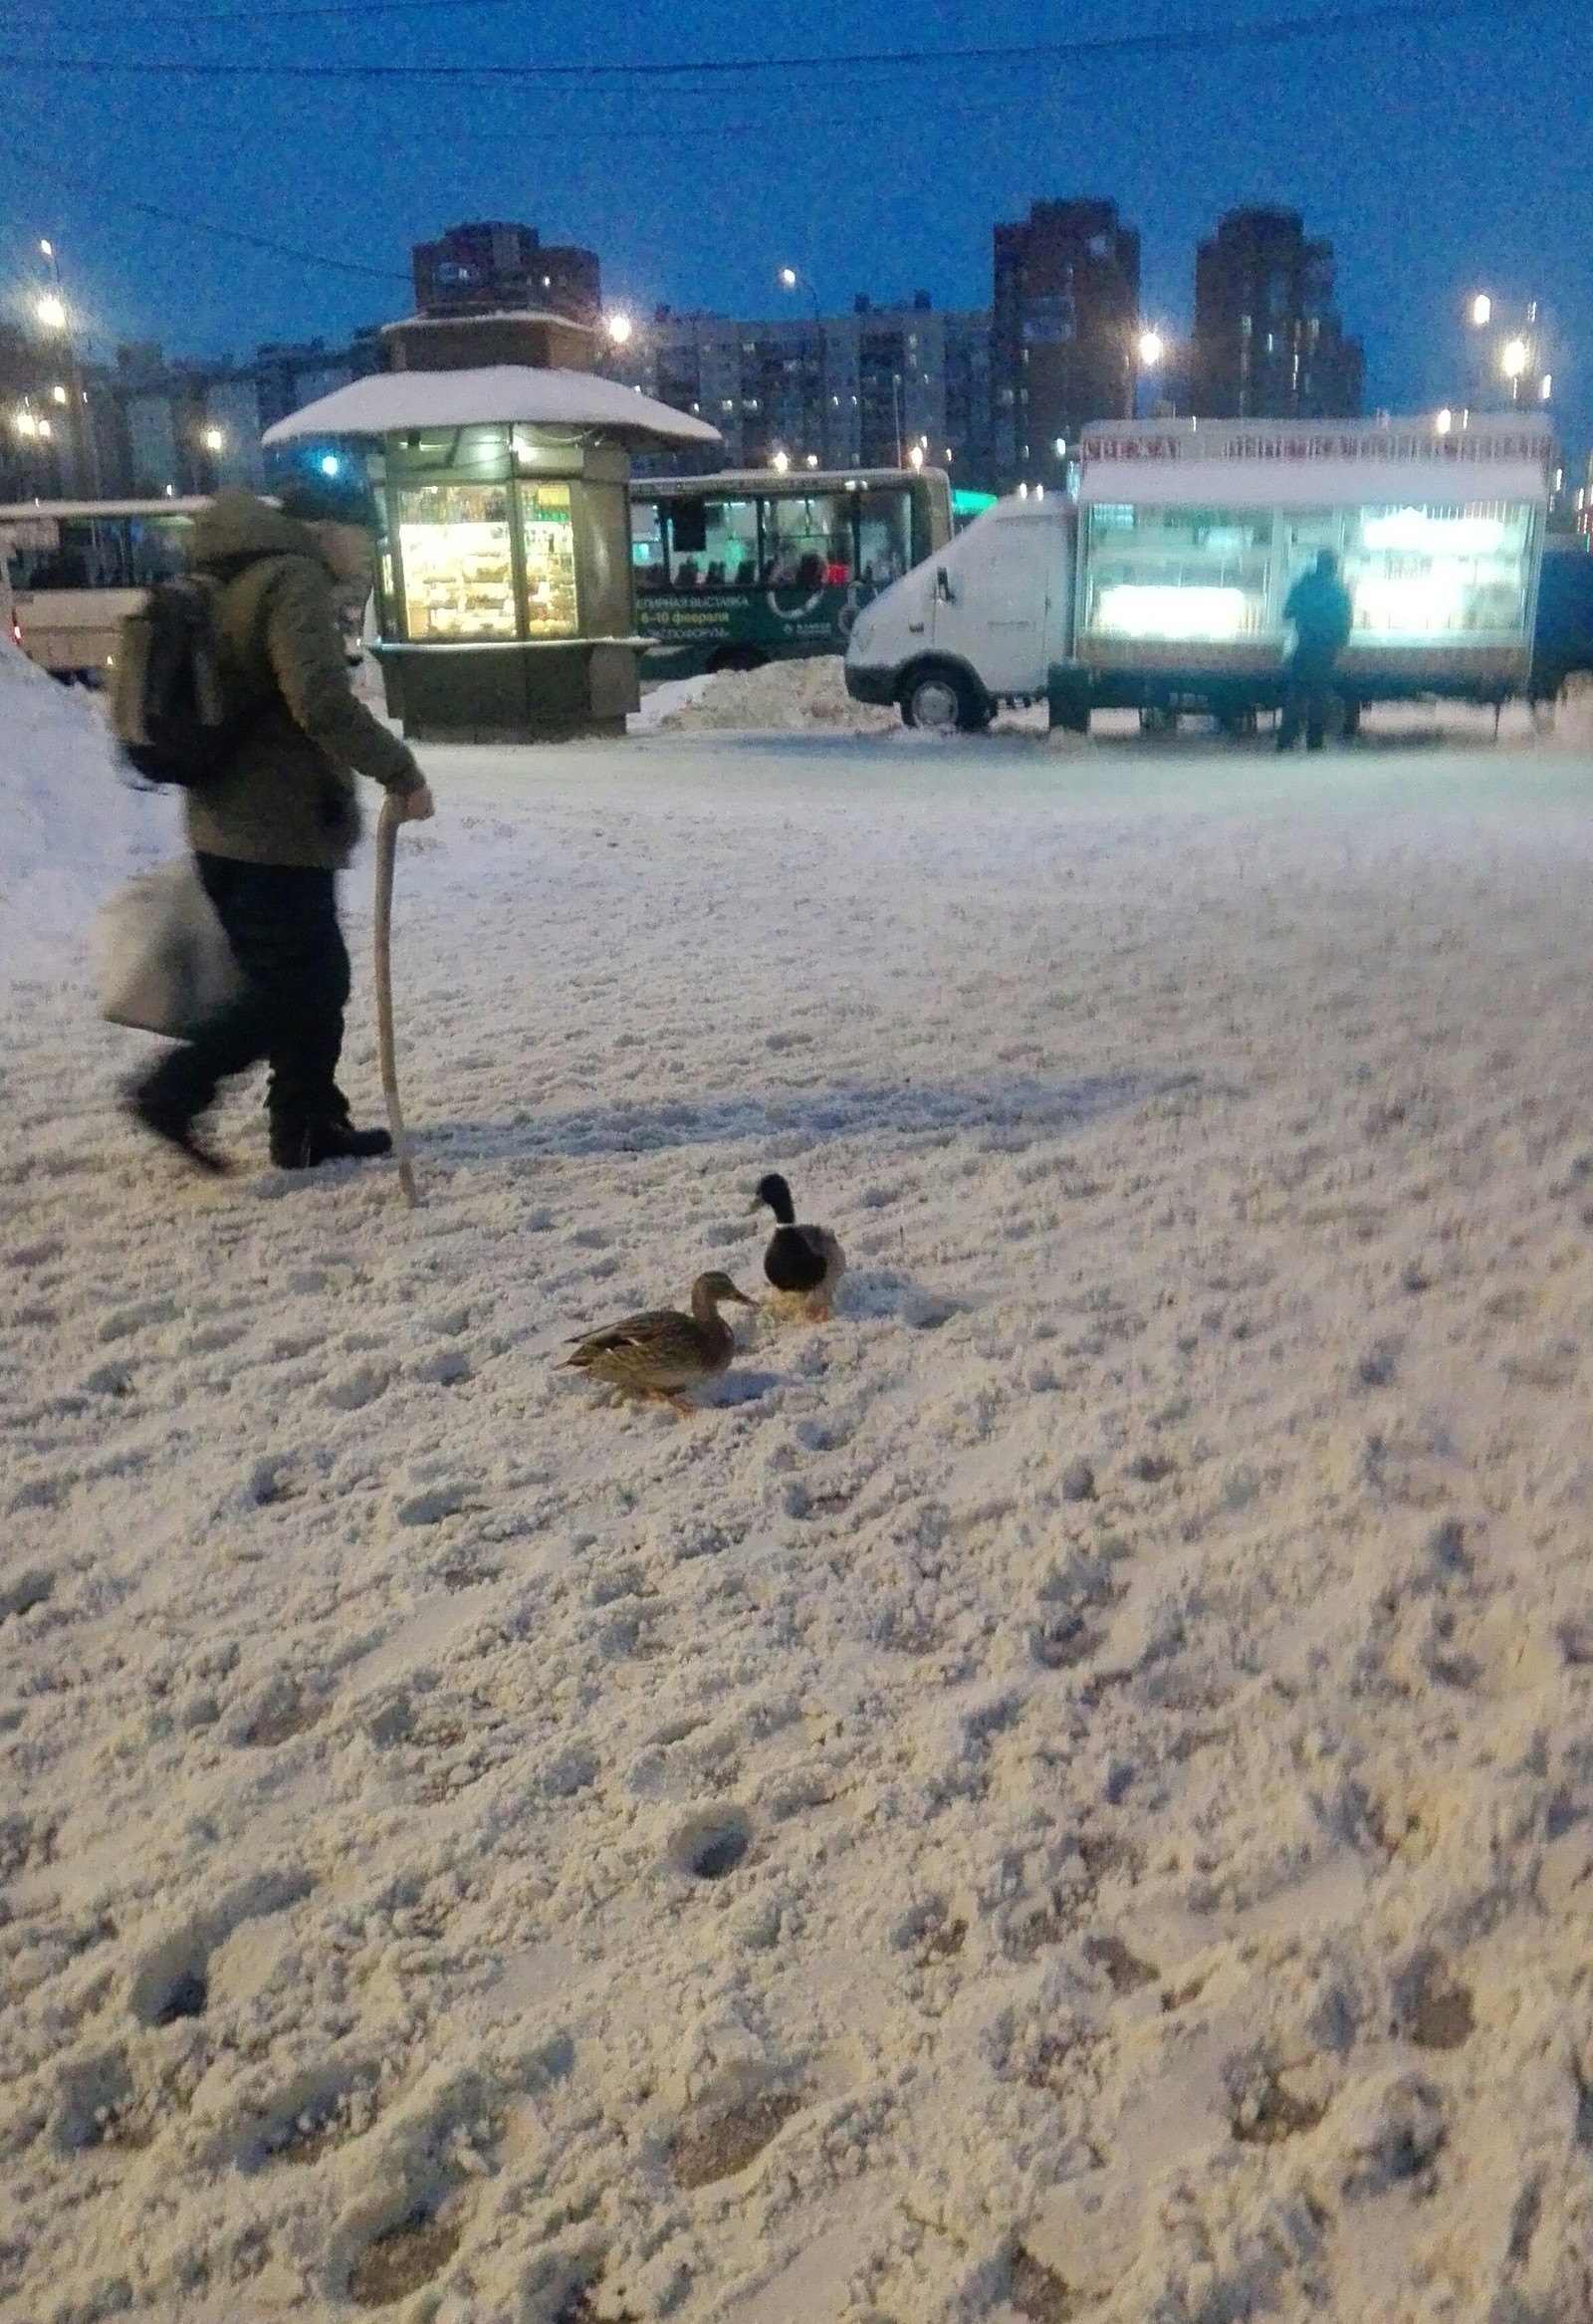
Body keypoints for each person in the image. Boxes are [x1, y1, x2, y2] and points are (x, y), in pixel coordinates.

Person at [125, 479, 435, 1174]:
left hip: (226, 824)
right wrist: (400, 772)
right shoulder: (293, 579)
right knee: (299, 985)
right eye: (367, 535)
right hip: (273, 831)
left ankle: (307, 1123)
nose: (373, 551)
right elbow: (319, 702)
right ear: (327, 528)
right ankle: (176, 1089)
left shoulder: (225, 573)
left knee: (311, 978)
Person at [1277, 548, 1354, 752]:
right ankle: (1314, 742)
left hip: (1303, 647)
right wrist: (1339, 645)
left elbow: (1287, 612)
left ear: (1317, 563)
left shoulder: (1303, 586)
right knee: (1319, 697)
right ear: (1334, 567)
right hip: (1325, 651)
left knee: (1296, 695)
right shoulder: (1339, 592)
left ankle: (1285, 740)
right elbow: (1345, 625)